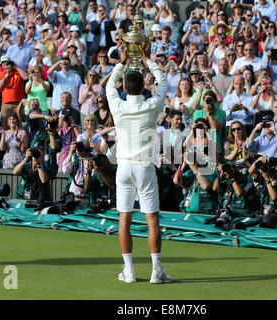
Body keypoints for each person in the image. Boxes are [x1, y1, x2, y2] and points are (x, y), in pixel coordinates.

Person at [106, 43, 171, 284]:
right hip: (143, 167)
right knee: (151, 218)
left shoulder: (118, 104)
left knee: (125, 217)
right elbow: (163, 82)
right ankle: (156, 271)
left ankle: (130, 271)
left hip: (124, 168)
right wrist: (148, 60)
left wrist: (122, 62)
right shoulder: (152, 105)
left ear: (125, 87)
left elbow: (109, 85)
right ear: (143, 86)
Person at [47, 55, 83, 120]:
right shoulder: (56, 74)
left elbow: (80, 93)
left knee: (73, 127)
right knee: (58, 128)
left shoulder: (76, 77)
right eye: (63, 61)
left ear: (70, 64)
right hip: (57, 108)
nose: (65, 62)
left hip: (73, 108)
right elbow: (48, 72)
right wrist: (59, 62)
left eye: (67, 61)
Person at [0, 56, 28, 122]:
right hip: (6, 103)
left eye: (7, 63)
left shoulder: (18, 72)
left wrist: (16, 66)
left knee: (20, 122)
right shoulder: (1, 74)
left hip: (19, 103)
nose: (6, 65)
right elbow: (0, 86)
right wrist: (7, 75)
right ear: (1, 65)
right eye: (4, 63)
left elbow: (26, 77)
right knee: (5, 123)